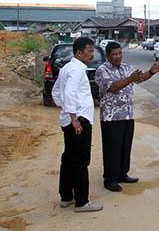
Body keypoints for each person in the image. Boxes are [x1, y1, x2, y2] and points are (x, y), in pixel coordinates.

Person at [95, 41, 159, 192]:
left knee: (125, 147)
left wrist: (151, 72)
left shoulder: (127, 67)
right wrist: (130, 79)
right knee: (112, 149)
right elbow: (112, 88)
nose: (118, 56)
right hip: (111, 117)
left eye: (120, 53)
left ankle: (122, 174)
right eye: (114, 54)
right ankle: (110, 179)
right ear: (108, 56)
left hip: (127, 114)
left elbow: (139, 78)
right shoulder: (102, 70)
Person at [51, 37, 103, 212]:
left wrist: (65, 108)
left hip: (71, 119)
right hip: (78, 121)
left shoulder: (67, 68)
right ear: (79, 52)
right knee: (81, 160)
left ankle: (66, 197)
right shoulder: (77, 70)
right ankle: (82, 201)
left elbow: (56, 92)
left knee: (69, 158)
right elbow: (69, 92)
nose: (92, 54)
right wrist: (74, 117)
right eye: (89, 51)